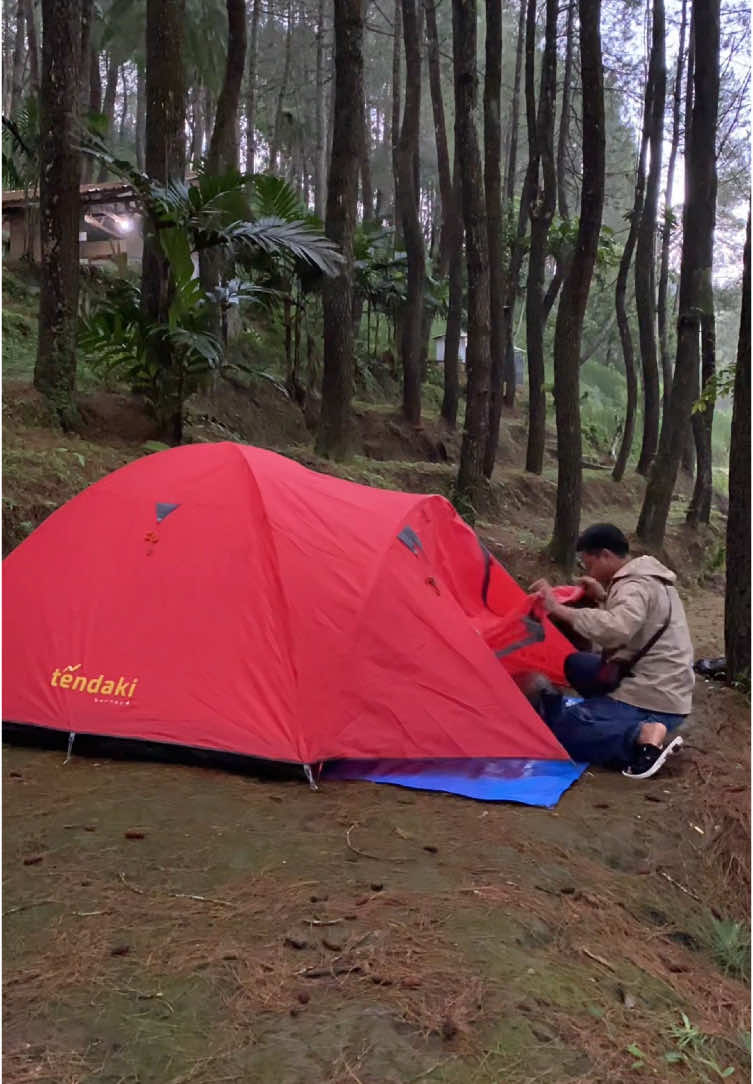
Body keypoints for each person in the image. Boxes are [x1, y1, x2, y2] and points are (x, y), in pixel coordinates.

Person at [528, 523, 694, 780]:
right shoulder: (645, 577)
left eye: (590, 563)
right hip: (665, 683)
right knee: (577, 664)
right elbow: (640, 621)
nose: (588, 571)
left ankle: (642, 736)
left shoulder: (634, 585)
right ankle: (613, 716)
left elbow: (618, 628)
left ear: (606, 555)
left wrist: (558, 609)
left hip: (654, 695)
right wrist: (604, 597)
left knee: (562, 730)